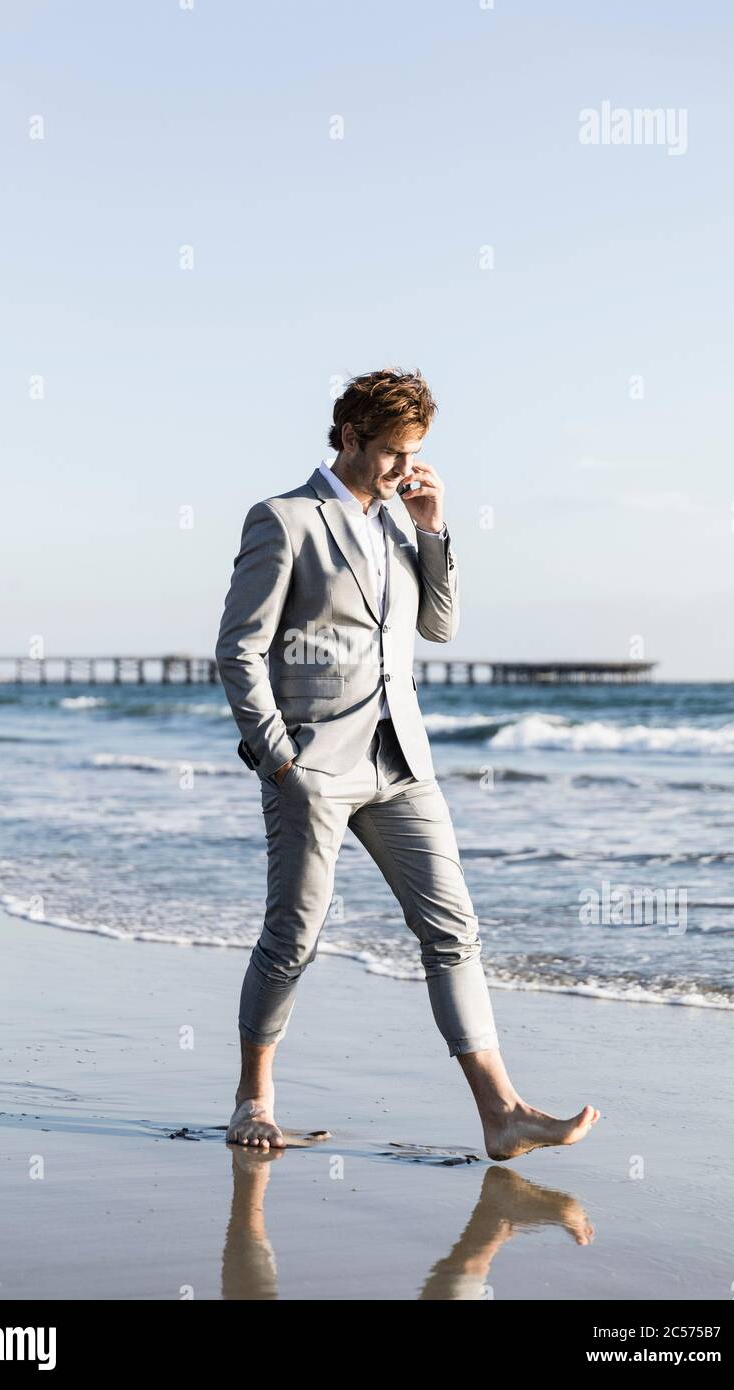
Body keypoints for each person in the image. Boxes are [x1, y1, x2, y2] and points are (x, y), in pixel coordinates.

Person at [214, 367, 599, 1160]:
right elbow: (238, 649)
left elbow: (439, 627)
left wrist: (432, 528)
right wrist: (279, 759)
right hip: (314, 766)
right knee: (294, 937)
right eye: (393, 453)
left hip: (402, 760)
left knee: (452, 927)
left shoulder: (399, 522)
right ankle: (254, 1098)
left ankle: (502, 1112)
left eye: (414, 453)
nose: (404, 468)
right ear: (351, 438)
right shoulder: (285, 519)